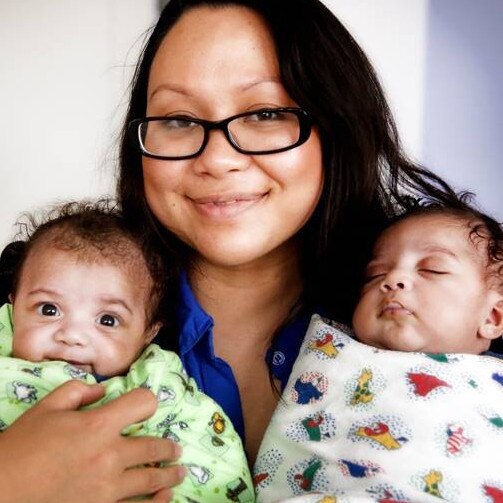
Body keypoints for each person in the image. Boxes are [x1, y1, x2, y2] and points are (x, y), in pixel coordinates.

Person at [0, 0, 490, 501]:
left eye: (265, 113)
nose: (218, 159)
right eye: (177, 119)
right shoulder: (27, 308)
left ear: (336, 126)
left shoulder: (449, 309)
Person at [0, 201, 253, 502]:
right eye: (49, 309)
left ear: (149, 332)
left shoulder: (158, 386)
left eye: (107, 320)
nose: (72, 336)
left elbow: (212, 460)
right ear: (14, 307)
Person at [254, 201, 503, 502]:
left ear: (493, 318)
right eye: (375, 274)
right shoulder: (330, 357)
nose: (392, 280)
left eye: (432, 269)